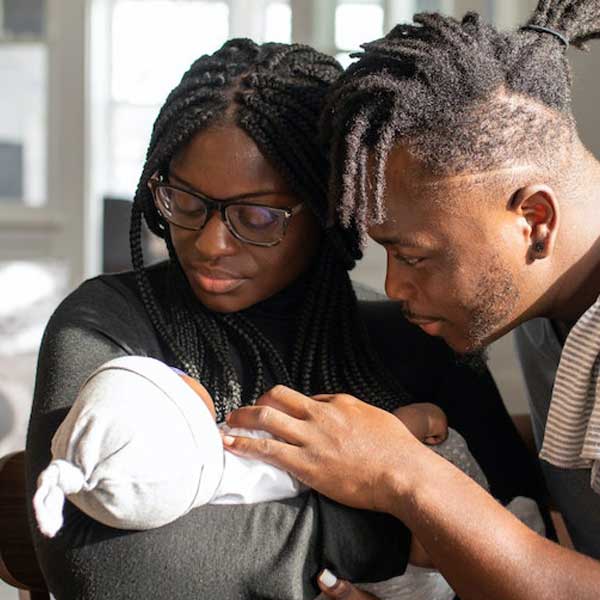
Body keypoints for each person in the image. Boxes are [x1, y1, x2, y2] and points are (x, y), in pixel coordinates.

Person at [26, 38, 543, 599]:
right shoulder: (106, 324)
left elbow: (519, 535)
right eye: (187, 202)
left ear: (327, 208)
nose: (211, 243)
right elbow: (94, 563)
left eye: (256, 215)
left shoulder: (412, 335)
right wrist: (396, 534)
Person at [221, 2, 600, 599]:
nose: (395, 286)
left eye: (416, 256)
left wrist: (402, 473)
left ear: (533, 220)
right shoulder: (548, 302)